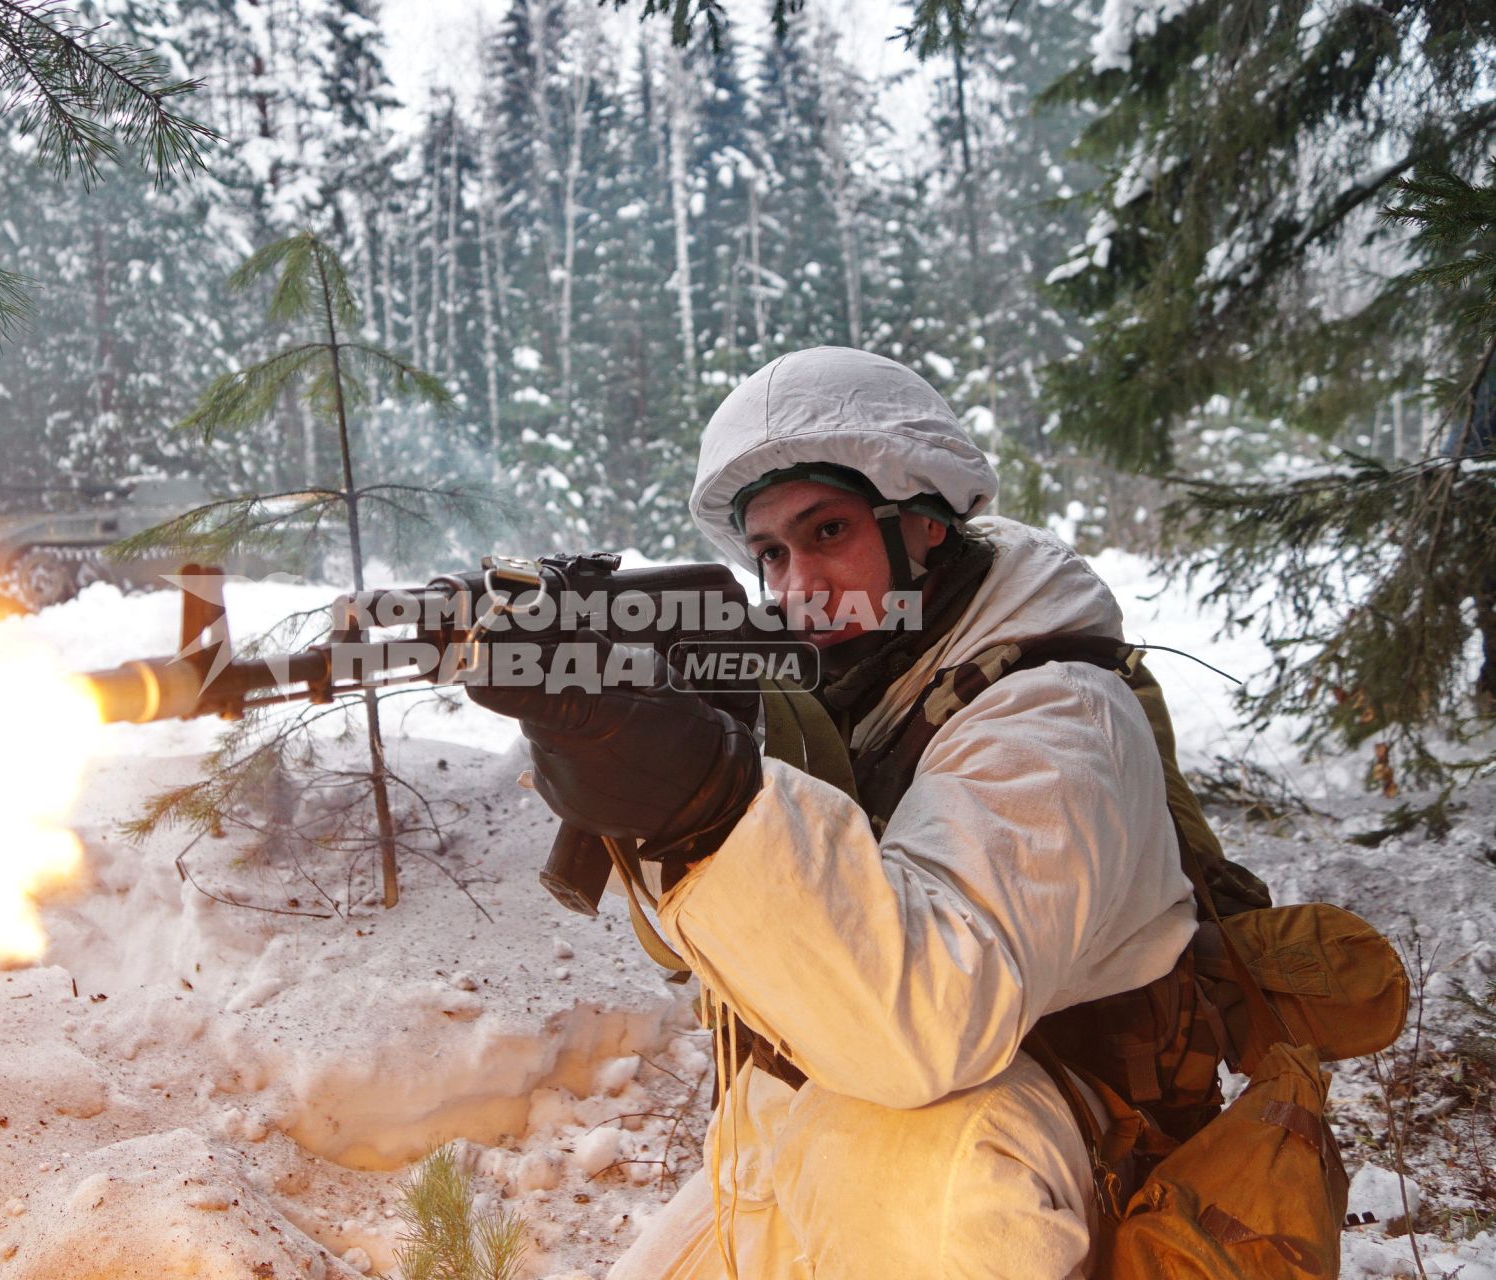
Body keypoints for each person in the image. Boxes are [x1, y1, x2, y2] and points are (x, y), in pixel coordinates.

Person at [467, 346, 1197, 1279]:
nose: (796, 582)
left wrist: (712, 803)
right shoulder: (852, 681)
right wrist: (628, 762)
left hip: (1025, 1129)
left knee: (920, 1186)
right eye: (770, 551)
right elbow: (753, 954)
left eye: (828, 531)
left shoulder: (1056, 712)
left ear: (924, 524)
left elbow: (927, 1029)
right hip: (826, 1098)